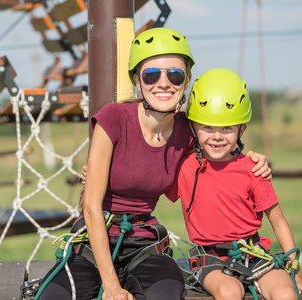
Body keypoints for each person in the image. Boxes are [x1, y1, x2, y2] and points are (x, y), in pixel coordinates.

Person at [36, 28, 270, 300]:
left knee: (166, 295)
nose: (163, 83)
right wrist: (111, 285)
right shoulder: (113, 119)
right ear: (137, 79)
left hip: (143, 244)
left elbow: (220, 151)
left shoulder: (187, 129)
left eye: (175, 74)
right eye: (151, 75)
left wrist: (251, 159)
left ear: (186, 80)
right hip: (92, 243)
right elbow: (90, 207)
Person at [165, 68, 302, 300]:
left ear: (241, 129)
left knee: (286, 294)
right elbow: (147, 177)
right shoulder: (185, 166)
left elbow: (279, 224)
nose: (217, 136)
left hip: (253, 253)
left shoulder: (253, 169)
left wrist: (295, 273)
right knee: (229, 292)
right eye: (208, 127)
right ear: (193, 126)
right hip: (210, 258)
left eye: (227, 128)